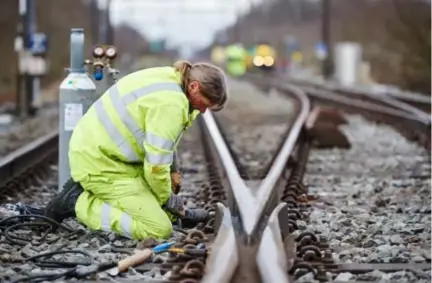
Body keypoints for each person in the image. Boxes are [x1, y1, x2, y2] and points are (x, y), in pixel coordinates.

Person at [44, 60, 228, 240]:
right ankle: (77, 202)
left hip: (113, 155)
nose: (203, 111)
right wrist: (168, 199)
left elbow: (162, 140)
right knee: (158, 229)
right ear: (194, 86)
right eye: (205, 103)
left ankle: (168, 212)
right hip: (102, 163)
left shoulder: (172, 78)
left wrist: (173, 170)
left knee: (157, 203)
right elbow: (156, 166)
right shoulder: (171, 104)